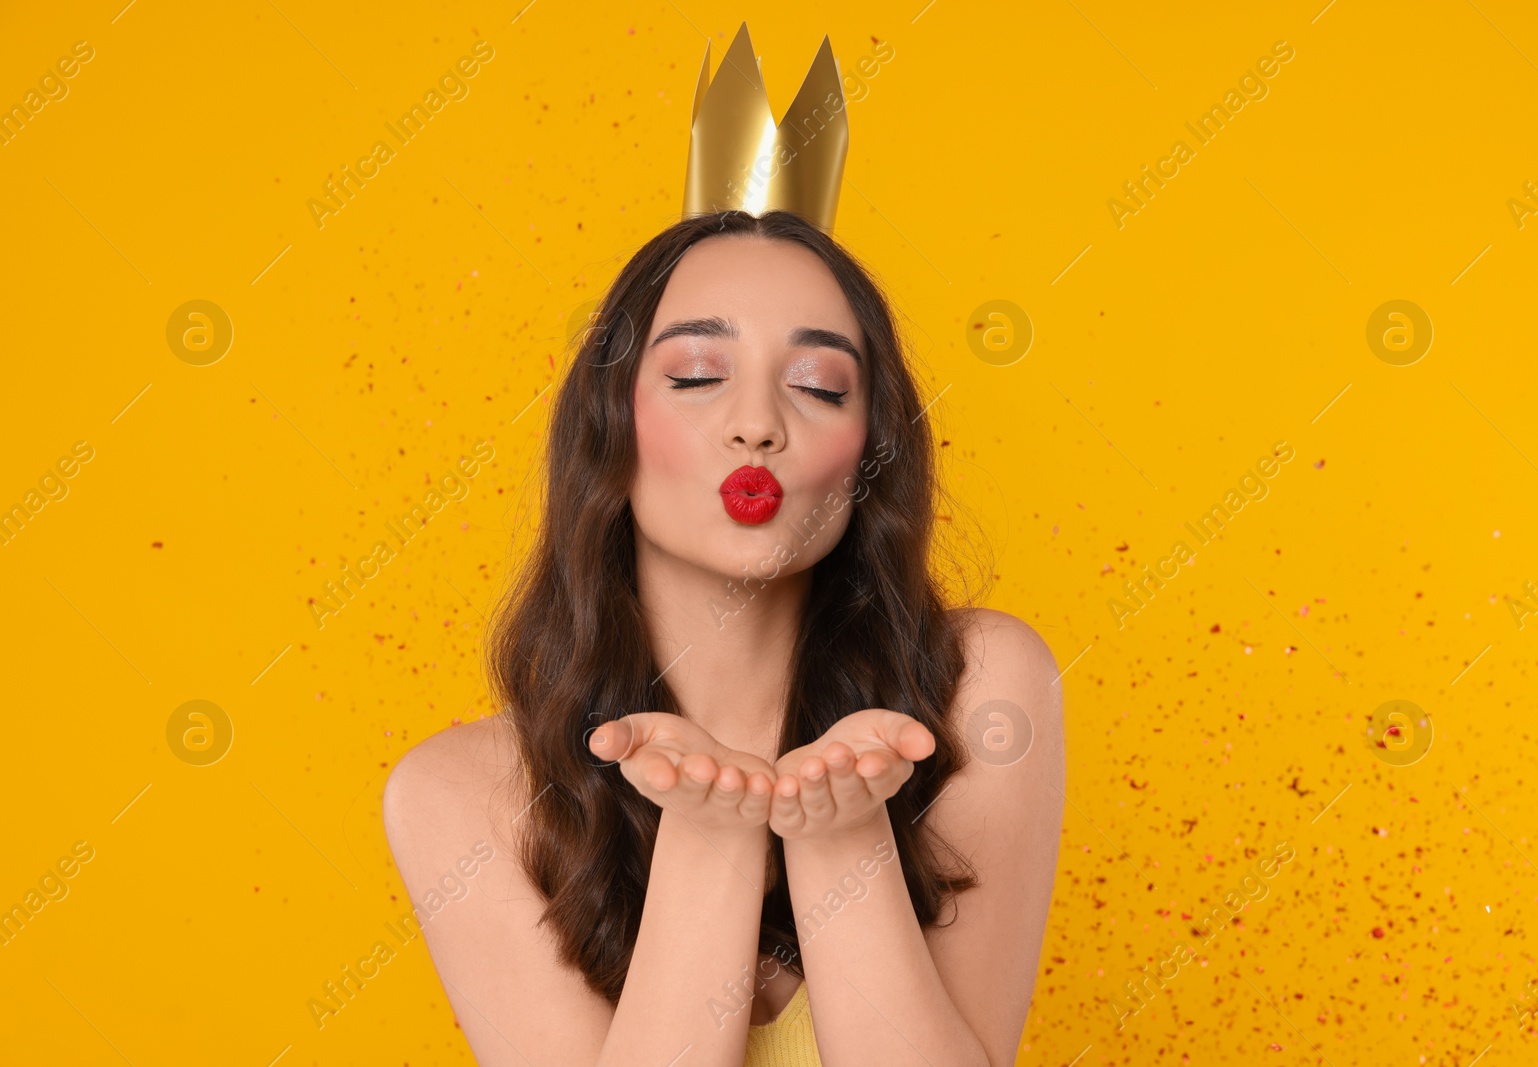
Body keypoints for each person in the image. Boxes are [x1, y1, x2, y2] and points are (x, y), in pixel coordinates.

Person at [382, 207, 1064, 1066]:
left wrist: (841, 838)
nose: (758, 424)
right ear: (609, 424)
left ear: (869, 453)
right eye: (699, 374)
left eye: (818, 385)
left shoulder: (981, 689)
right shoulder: (460, 792)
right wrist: (709, 839)